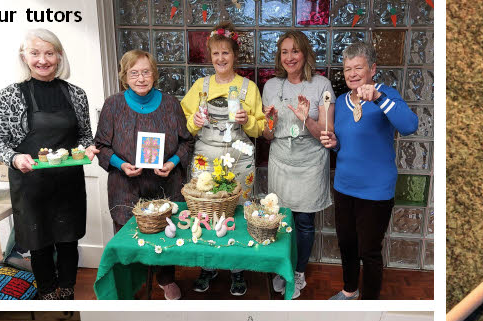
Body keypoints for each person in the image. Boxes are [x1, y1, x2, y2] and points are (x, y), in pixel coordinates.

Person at [0, 29, 99, 300]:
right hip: (30, 183)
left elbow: (84, 135)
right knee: (39, 244)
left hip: (67, 181)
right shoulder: (10, 95)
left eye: (49, 53)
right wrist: (15, 158)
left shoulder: (76, 94)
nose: (42, 60)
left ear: (59, 56)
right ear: (24, 56)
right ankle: (47, 291)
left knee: (68, 239)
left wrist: (89, 148)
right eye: (35, 53)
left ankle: (67, 290)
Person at [320, 43, 417, 300]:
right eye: (347, 69)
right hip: (344, 186)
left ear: (372, 69)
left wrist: (379, 98)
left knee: (369, 251)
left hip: (376, 191)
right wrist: (335, 144)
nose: (352, 73)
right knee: (347, 245)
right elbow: (346, 145)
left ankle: (369, 302)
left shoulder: (387, 94)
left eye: (358, 68)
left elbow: (410, 126)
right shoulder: (341, 102)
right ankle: (350, 292)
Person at [94, 50, 194, 300]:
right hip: (125, 184)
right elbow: (101, 146)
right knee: (127, 238)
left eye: (146, 72)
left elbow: (186, 143)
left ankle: (166, 279)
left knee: (167, 232)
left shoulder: (171, 104)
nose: (141, 78)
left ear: (154, 74)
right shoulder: (113, 104)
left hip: (165, 184)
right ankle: (128, 283)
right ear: (124, 76)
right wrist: (120, 164)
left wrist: (172, 163)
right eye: (134, 73)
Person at [179, 22, 266, 296]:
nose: (220, 59)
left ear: (234, 55)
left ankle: (237, 269)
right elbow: (183, 125)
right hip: (205, 158)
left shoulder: (248, 88)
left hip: (240, 160)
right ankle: (208, 265)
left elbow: (260, 128)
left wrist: (248, 119)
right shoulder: (200, 87)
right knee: (204, 212)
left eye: (225, 53)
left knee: (238, 212)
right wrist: (193, 120)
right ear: (210, 56)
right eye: (215, 54)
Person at [262, 30, 334, 299]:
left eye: (295, 51)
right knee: (280, 220)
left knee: (304, 221)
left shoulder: (321, 85)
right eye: (284, 52)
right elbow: (267, 135)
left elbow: (327, 136)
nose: (290, 57)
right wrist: (268, 122)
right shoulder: (270, 87)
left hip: (311, 160)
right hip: (281, 159)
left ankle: (299, 271)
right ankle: (283, 269)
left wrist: (308, 119)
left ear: (305, 54)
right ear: (279, 57)